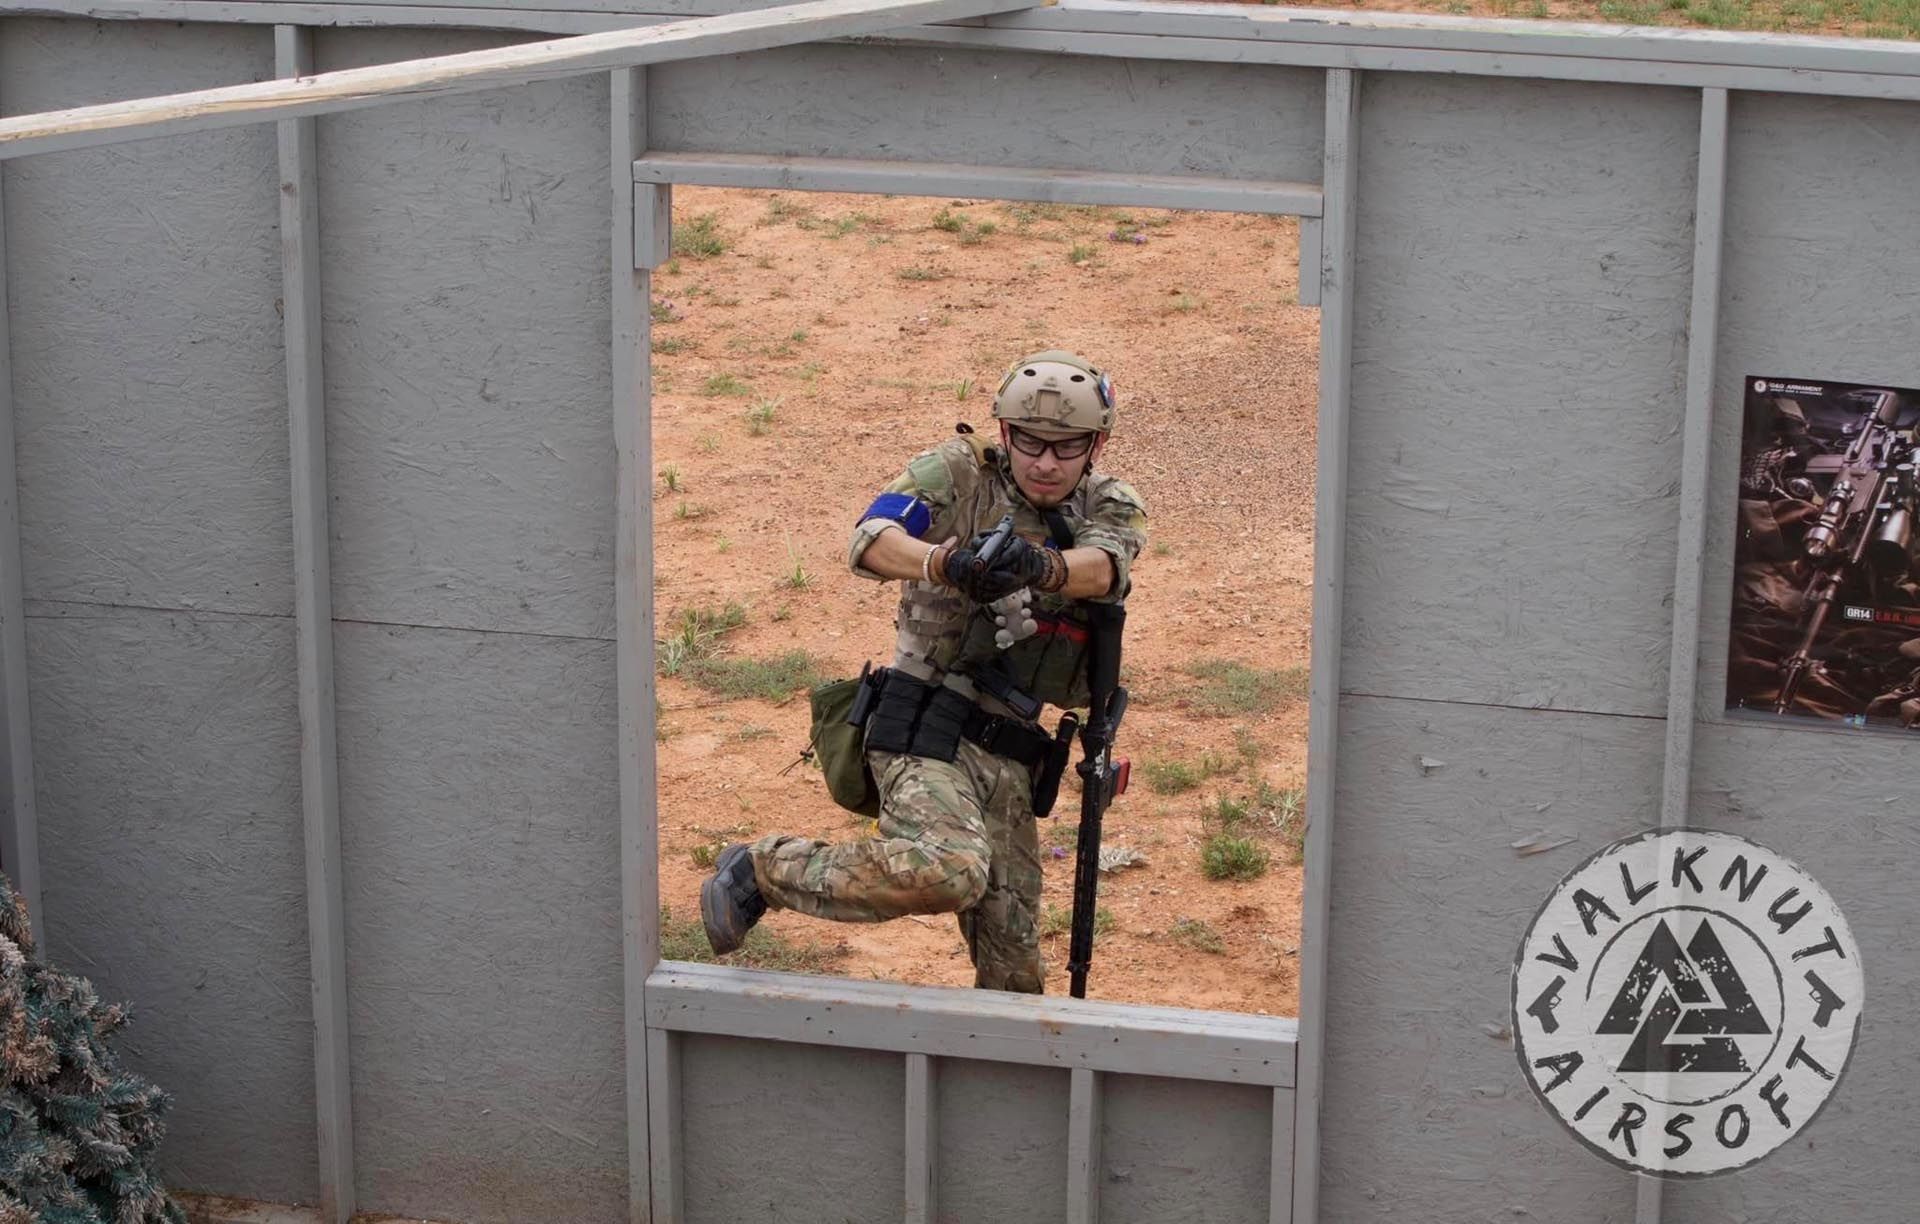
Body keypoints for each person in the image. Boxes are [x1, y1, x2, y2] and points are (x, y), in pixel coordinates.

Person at [699, 350, 1148, 992]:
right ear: (1003, 433)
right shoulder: (957, 471)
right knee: (951, 868)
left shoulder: (1110, 502)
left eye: (1066, 447)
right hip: (924, 728)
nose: (1045, 462)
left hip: (1013, 754)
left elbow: (1105, 569)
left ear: (1096, 443)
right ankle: (765, 869)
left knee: (1015, 972)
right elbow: (871, 539)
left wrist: (1040, 567)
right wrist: (944, 563)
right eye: (1029, 442)